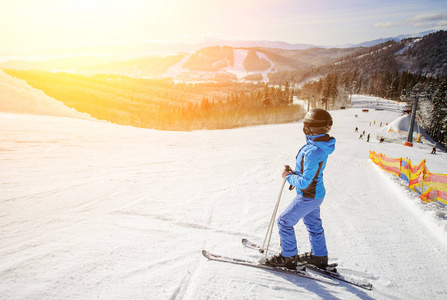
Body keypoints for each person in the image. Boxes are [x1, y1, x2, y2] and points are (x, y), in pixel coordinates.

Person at [266, 108, 336, 270]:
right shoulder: (319, 146)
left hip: (308, 196)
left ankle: (289, 257)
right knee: (313, 224)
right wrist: (294, 173)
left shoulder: (312, 151)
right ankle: (319, 256)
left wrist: (288, 176)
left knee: (284, 222)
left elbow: (304, 182)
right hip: (316, 195)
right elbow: (309, 173)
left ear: (309, 128)